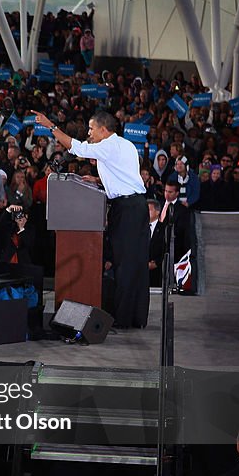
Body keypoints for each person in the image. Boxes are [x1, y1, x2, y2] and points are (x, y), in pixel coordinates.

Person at [35, 110, 149, 328]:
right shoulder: (125, 144)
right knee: (134, 264)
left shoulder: (108, 145)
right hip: (134, 207)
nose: (89, 132)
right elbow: (124, 175)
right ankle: (134, 316)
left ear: (103, 130)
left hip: (128, 210)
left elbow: (75, 147)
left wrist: (51, 126)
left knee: (125, 265)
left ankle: (124, 320)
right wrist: (98, 179)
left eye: (91, 128)